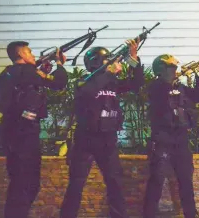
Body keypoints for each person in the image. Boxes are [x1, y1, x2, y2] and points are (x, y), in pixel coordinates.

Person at [60, 39, 145, 218]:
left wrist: (134, 58)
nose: (112, 63)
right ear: (97, 63)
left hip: (108, 140)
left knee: (115, 183)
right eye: (107, 61)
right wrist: (109, 73)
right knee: (76, 183)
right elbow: (88, 91)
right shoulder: (83, 81)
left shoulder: (111, 82)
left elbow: (137, 83)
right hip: (86, 140)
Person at [0, 41, 68, 218]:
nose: (33, 55)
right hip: (25, 134)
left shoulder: (6, 73)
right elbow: (59, 82)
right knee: (29, 183)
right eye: (29, 52)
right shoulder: (27, 72)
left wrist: (43, 70)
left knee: (18, 182)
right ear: (20, 55)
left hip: (10, 133)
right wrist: (59, 64)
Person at [143, 54, 199, 218]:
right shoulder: (155, 87)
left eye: (175, 68)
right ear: (162, 70)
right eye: (171, 68)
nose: (175, 71)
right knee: (156, 180)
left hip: (181, 140)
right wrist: (174, 83)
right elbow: (163, 99)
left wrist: (198, 77)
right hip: (163, 140)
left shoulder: (180, 87)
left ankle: (191, 214)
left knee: (185, 180)